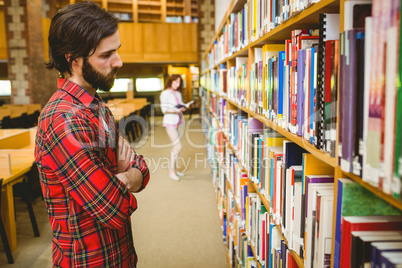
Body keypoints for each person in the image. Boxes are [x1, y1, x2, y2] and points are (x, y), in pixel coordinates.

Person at [34, 2, 150, 267]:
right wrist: (130, 175)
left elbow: (140, 167)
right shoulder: (63, 119)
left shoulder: (95, 105)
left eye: (117, 51)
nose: (119, 61)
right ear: (72, 58)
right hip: (88, 260)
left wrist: (128, 175)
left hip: (119, 254)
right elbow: (112, 209)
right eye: (106, 55)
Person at [160, 74, 188, 181]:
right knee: (178, 147)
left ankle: (175, 170)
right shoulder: (165, 93)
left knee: (175, 147)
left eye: (179, 82)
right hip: (169, 122)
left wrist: (183, 107)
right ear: (170, 82)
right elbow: (164, 109)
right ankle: (171, 171)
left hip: (178, 121)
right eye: (176, 82)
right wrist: (176, 110)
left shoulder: (178, 93)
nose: (178, 84)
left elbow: (179, 105)